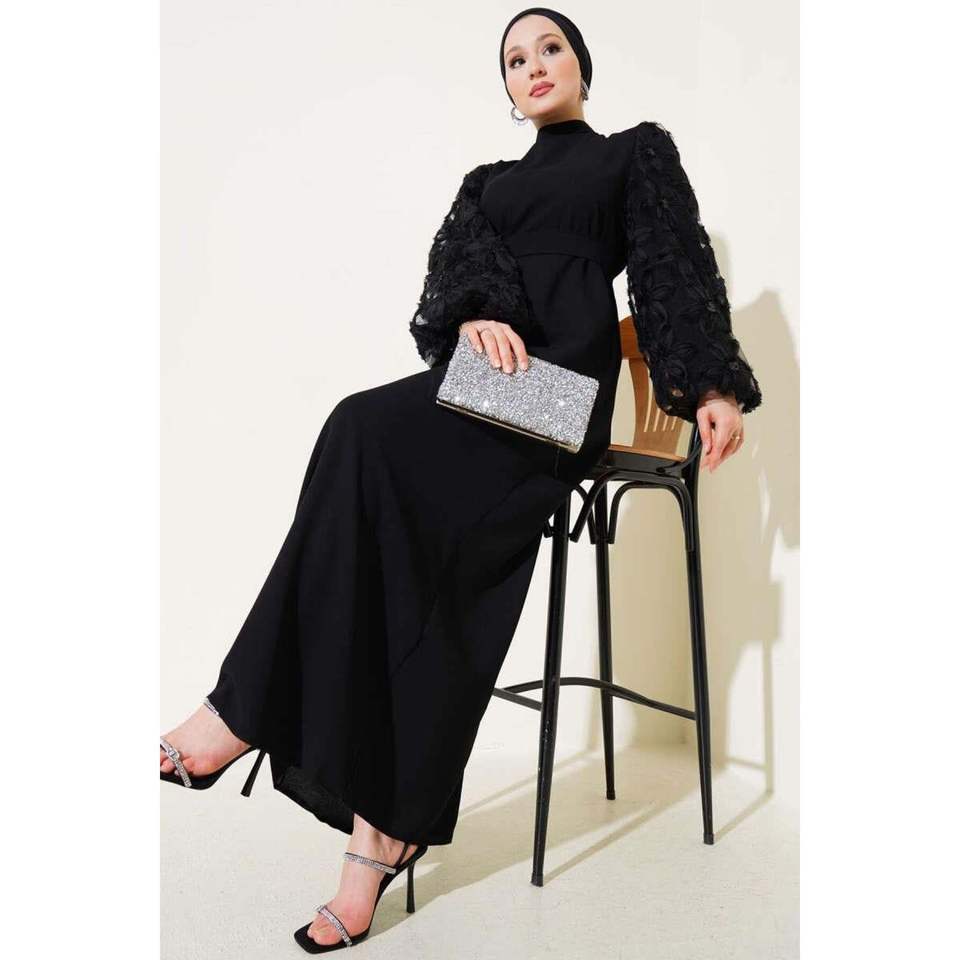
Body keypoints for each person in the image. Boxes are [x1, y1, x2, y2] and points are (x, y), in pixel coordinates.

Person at [159, 6, 763, 951]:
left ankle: (242, 712)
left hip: (563, 402)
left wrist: (712, 388)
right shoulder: (488, 184)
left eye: (550, 48)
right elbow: (456, 283)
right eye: (515, 59)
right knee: (375, 475)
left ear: (582, 65)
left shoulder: (631, 156)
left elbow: (670, 273)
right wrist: (478, 313)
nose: (534, 65)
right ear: (507, 87)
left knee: (362, 429)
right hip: (491, 387)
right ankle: (373, 836)